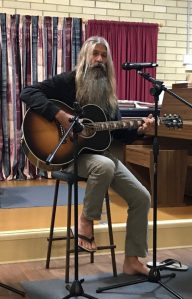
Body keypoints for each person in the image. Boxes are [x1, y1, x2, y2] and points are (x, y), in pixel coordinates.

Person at [20, 36, 154, 276]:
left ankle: (132, 260)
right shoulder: (68, 82)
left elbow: (117, 134)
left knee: (142, 197)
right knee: (103, 165)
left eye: (104, 55)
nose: (99, 59)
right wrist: (60, 115)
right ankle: (86, 220)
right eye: (95, 54)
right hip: (67, 156)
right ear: (85, 57)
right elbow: (28, 92)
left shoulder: (108, 96)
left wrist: (139, 129)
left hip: (97, 158)